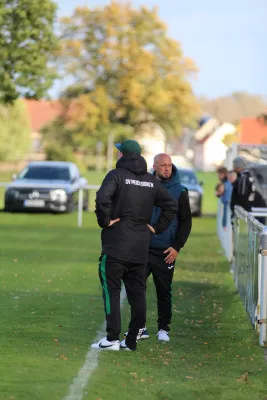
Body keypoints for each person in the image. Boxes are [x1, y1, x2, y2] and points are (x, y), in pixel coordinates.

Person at [92, 140, 178, 351]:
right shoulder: (150, 180)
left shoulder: (116, 175)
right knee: (137, 294)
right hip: (141, 248)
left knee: (111, 290)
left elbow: (102, 198)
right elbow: (171, 204)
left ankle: (112, 338)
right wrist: (157, 228)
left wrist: (105, 221)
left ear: (122, 155)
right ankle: (130, 342)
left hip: (116, 246)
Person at [125, 153, 192, 342]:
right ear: (154, 166)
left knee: (164, 290)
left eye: (169, 165)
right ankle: (140, 327)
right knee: (137, 287)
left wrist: (177, 246)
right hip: (142, 247)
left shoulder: (180, 191)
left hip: (165, 251)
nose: (167, 168)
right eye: (163, 165)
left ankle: (163, 328)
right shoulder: (145, 186)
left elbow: (186, 221)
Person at [231, 156, 266, 223]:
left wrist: (245, 208)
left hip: (255, 208)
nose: (233, 168)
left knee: (258, 228)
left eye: (235, 166)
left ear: (239, 167)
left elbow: (243, 194)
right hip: (257, 206)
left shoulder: (244, 177)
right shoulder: (249, 175)